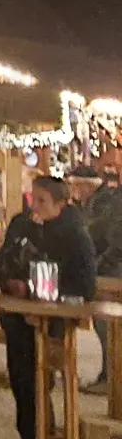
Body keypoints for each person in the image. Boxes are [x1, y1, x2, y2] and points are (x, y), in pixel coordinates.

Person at [0, 176, 97, 439]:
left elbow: (85, 283)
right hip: (18, 317)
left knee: (41, 379)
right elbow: (5, 260)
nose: (35, 206)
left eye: (42, 201)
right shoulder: (21, 225)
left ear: (60, 204)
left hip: (52, 322)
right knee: (21, 379)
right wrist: (11, 282)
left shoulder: (74, 234)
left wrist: (48, 291)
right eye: (33, 198)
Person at [80, 165, 122, 393]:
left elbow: (115, 240)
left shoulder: (108, 204)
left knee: (108, 327)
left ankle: (111, 379)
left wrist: (98, 264)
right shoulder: (103, 201)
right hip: (109, 268)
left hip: (112, 272)